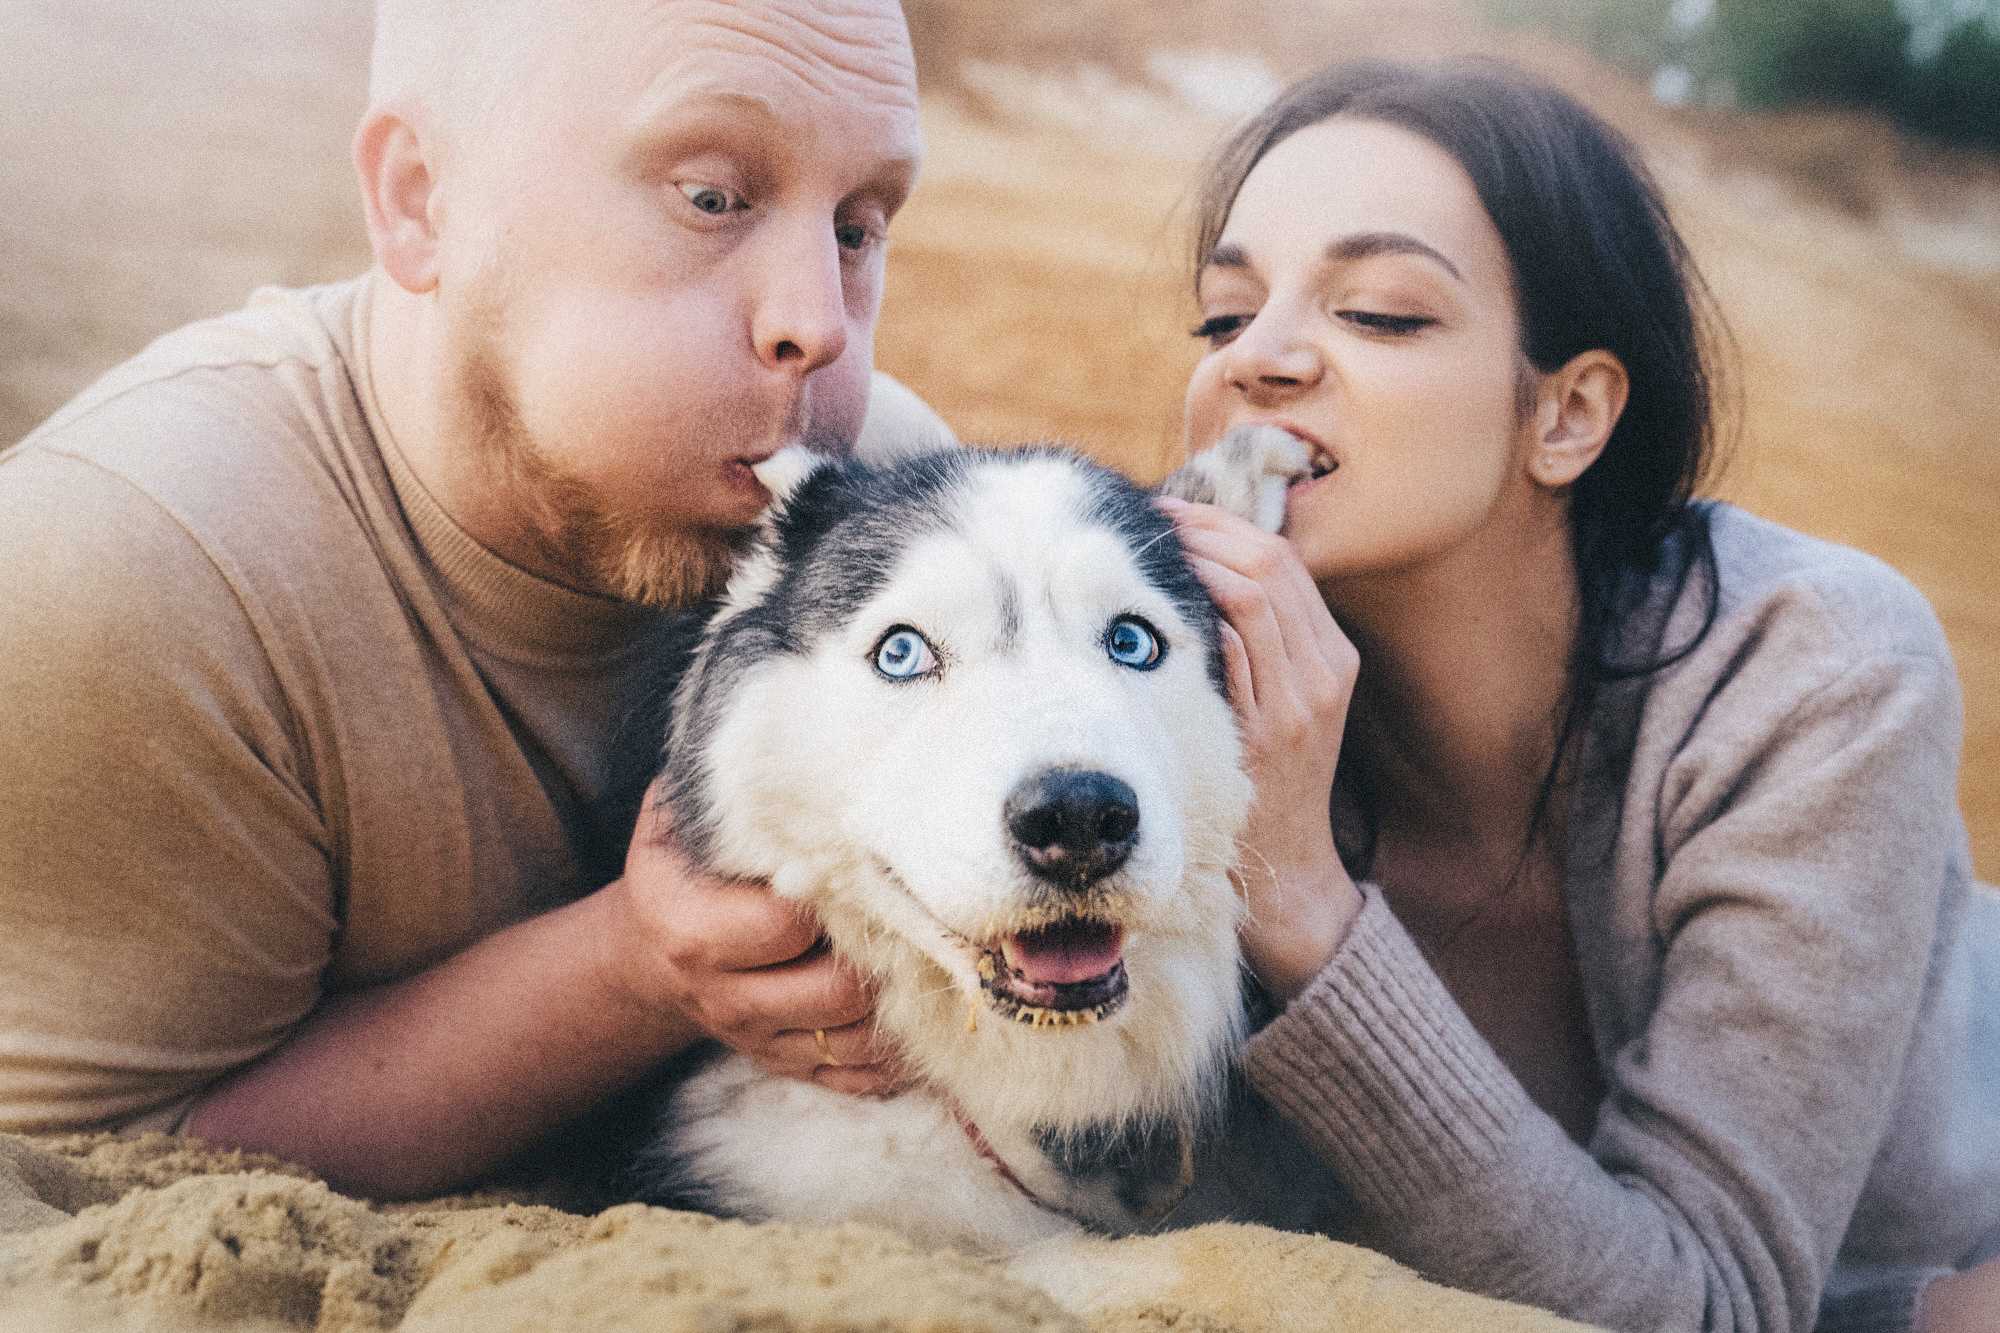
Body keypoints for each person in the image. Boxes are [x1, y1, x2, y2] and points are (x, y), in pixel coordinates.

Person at [0, 0, 948, 1200]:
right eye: (713, 197)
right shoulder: (132, 568)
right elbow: (74, 1180)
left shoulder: (890, 520)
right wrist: (629, 971)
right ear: (418, 198)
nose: (815, 321)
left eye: (859, 227)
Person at [1158, 60, 2000, 1333]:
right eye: (1224, 318)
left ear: (1567, 412)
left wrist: (1299, 902)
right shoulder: (1163, 676)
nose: (1254, 361)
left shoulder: (1813, 664)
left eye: (1380, 312)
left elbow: (1709, 1306)